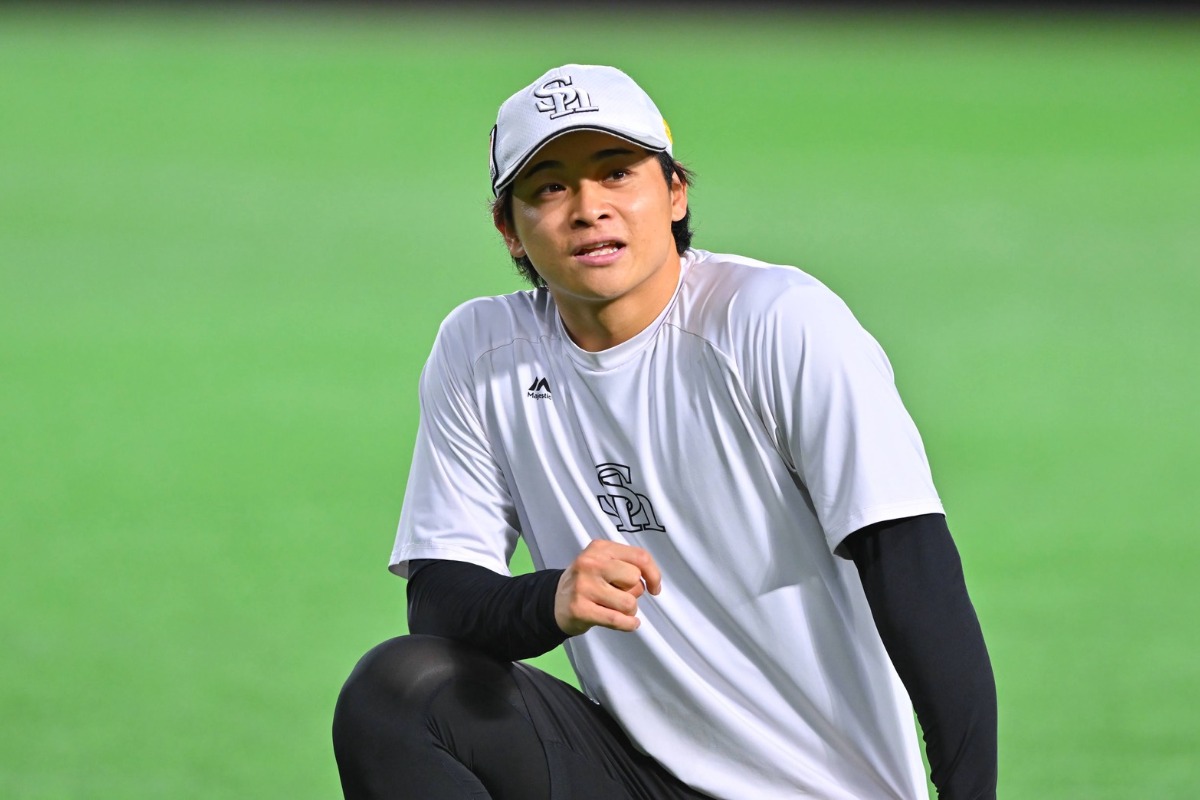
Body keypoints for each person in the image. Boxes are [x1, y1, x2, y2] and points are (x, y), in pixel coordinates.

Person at [333, 64, 997, 800]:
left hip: (823, 788)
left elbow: (913, 571)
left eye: (616, 173)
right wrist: (550, 600)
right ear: (509, 229)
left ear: (675, 192)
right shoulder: (482, 351)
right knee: (400, 693)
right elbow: (439, 600)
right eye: (549, 187)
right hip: (638, 776)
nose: (588, 208)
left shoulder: (777, 322)